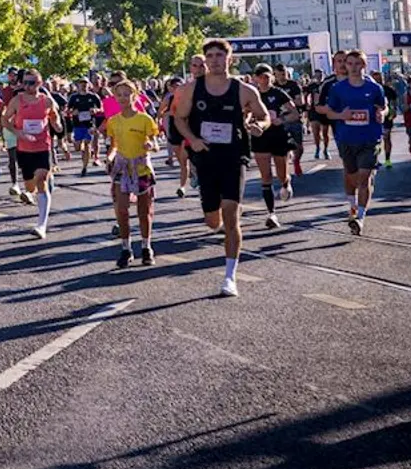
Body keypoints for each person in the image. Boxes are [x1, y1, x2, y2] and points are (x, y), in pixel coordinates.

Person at [174, 39, 271, 297]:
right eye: (211, 56)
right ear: (204, 60)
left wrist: (260, 126)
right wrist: (192, 140)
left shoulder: (244, 90)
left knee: (231, 215)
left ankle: (230, 277)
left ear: (230, 59)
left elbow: (264, 115)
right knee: (211, 221)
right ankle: (214, 218)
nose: (215, 60)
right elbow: (179, 118)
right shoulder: (192, 89)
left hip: (233, 156)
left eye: (220, 55)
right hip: (205, 157)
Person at [319, 49, 388, 235]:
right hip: (346, 138)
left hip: (370, 138)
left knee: (364, 179)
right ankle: (352, 206)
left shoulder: (374, 88)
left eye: (358, 64)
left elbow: (384, 106)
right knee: (351, 176)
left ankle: (360, 217)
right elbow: (328, 111)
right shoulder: (337, 89)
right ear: (345, 66)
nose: (354, 67)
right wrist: (341, 115)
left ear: (364, 65)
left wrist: (382, 113)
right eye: (350, 64)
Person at [104, 80, 159, 267]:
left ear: (134, 96)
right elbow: (114, 146)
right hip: (122, 166)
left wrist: (150, 145)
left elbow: (155, 142)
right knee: (122, 209)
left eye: (126, 94)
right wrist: (110, 158)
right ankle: (126, 249)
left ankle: (146, 247)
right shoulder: (113, 121)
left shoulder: (144, 119)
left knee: (144, 211)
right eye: (119, 94)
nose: (122, 98)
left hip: (141, 166)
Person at [6, 70, 62, 239]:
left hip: (42, 147)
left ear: (40, 83)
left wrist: (57, 125)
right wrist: (18, 132)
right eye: (27, 83)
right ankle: (30, 192)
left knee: (42, 180)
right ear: (22, 84)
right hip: (24, 149)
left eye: (34, 83)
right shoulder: (17, 101)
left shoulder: (46, 101)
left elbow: (55, 117)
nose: (30, 86)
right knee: (30, 186)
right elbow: (4, 120)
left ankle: (41, 225)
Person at [248, 65, 295, 229]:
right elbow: (245, 113)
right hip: (260, 137)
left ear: (272, 77)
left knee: (281, 174)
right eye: (260, 76)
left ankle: (285, 183)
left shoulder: (278, 93)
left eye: (267, 76)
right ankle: (271, 214)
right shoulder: (253, 94)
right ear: (255, 78)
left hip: (278, 136)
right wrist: (249, 123)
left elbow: (294, 112)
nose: (264, 79)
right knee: (266, 176)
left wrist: (281, 119)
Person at [66, 78, 102, 177]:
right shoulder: (74, 97)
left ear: (88, 85)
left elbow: (101, 108)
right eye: (81, 84)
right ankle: (83, 150)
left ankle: (84, 167)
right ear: (78, 86)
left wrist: (95, 110)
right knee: (78, 147)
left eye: (85, 84)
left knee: (87, 144)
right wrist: (73, 112)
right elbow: (67, 110)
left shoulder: (93, 96)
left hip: (90, 124)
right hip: (78, 124)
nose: (83, 86)